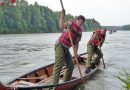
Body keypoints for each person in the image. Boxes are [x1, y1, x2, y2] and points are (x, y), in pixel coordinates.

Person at [52, 9, 85, 84]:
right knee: (59, 66)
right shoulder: (70, 23)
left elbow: (76, 43)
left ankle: (65, 83)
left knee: (71, 66)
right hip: (59, 45)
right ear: (76, 20)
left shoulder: (80, 31)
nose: (80, 23)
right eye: (79, 21)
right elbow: (61, 26)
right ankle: (53, 86)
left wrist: (75, 53)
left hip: (66, 48)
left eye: (82, 22)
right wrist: (62, 16)